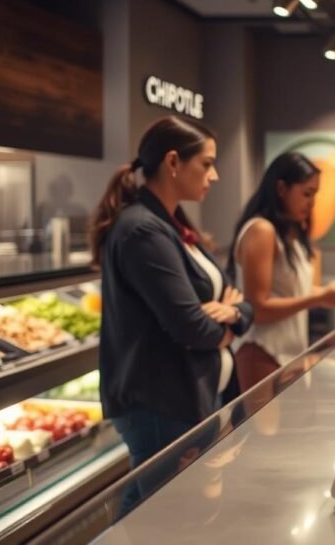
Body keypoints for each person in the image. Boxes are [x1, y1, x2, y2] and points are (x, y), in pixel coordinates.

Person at [90, 116, 253, 503]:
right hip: (159, 401)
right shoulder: (143, 230)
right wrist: (228, 329)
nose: (214, 176)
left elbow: (237, 297)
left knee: (147, 511)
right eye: (207, 163)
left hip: (184, 397)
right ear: (174, 162)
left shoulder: (173, 226)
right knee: (167, 517)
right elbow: (191, 326)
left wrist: (234, 313)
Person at [227, 152, 335, 393]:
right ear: (281, 188)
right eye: (307, 193)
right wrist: (319, 298)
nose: (312, 203)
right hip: (261, 350)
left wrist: (325, 293)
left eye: (315, 195)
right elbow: (259, 308)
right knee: (261, 431)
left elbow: (290, 291)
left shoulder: (290, 236)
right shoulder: (262, 231)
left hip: (289, 352)